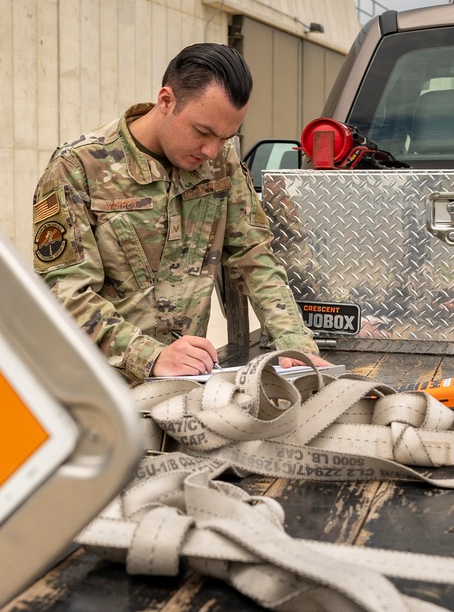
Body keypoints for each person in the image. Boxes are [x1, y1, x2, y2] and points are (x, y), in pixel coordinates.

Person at [31, 43, 329, 384]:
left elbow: (255, 258)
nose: (212, 150)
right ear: (166, 101)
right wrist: (150, 355)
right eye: (203, 132)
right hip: (99, 391)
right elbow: (64, 293)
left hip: (183, 389)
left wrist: (294, 343)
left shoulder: (220, 163)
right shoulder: (79, 167)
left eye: (226, 137)